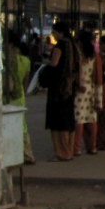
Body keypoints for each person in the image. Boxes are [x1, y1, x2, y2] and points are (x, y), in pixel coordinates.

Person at [45, 22, 78, 162]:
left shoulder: (60, 46)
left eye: (54, 32)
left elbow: (54, 63)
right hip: (71, 88)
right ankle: (69, 150)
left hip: (58, 89)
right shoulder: (74, 46)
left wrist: (46, 63)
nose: (53, 35)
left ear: (60, 32)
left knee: (58, 121)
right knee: (69, 120)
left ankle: (61, 152)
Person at [3, 32, 35, 164]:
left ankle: (12, 154)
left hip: (7, 96)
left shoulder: (6, 59)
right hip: (20, 94)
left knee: (7, 123)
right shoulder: (26, 61)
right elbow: (25, 81)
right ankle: (27, 153)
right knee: (22, 125)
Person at [73, 28, 101, 156]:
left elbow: (77, 71)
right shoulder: (94, 55)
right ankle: (93, 146)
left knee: (79, 119)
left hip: (80, 89)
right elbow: (98, 75)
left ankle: (77, 147)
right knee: (92, 118)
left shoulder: (78, 53)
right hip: (91, 88)